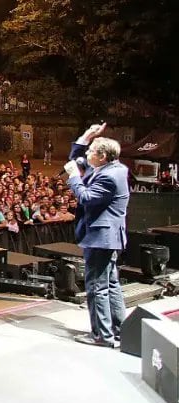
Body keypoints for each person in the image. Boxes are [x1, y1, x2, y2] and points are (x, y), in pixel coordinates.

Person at [64, 123, 128, 348]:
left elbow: (87, 198)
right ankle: (119, 331)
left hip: (101, 237)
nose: (87, 154)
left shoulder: (108, 177)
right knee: (110, 284)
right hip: (109, 237)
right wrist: (87, 135)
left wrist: (74, 177)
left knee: (97, 287)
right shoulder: (112, 168)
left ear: (101, 156)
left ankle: (102, 336)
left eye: (91, 150)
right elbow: (76, 156)